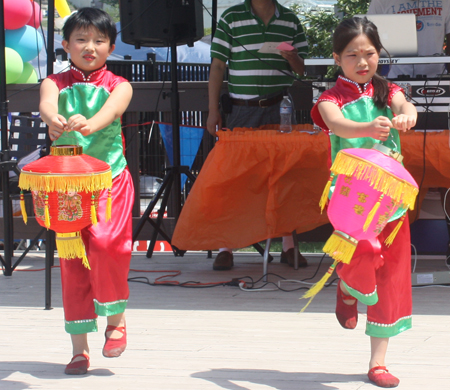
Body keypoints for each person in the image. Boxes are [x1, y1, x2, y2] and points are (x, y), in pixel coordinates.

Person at [310, 17, 417, 388]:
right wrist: (368, 130)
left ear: (378, 54)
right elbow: (337, 125)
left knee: (390, 276)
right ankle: (347, 286)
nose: (362, 62)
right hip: (351, 199)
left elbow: (409, 107)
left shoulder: (388, 90)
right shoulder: (329, 99)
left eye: (369, 54)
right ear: (337, 58)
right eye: (352, 55)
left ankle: (378, 362)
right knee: (363, 253)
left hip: (390, 199)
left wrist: (405, 117)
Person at [39, 8, 134, 375]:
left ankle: (116, 320)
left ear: (110, 46)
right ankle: (79, 349)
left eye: (98, 40)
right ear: (65, 45)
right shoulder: (55, 82)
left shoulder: (119, 84)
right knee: (72, 261)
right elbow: (47, 104)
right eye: (81, 39)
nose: (89, 46)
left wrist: (88, 124)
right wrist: (54, 119)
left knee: (108, 245)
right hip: (67, 186)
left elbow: (111, 112)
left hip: (109, 179)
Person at [206, 0, 309, 271]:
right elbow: (217, 66)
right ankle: (226, 246)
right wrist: (212, 110)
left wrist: (293, 58)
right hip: (241, 109)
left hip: (280, 107)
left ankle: (289, 246)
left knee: (284, 175)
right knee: (234, 178)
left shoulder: (290, 20)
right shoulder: (231, 17)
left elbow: (302, 69)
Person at [368, 0, 450, 78]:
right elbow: (371, 39)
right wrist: (376, 81)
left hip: (437, 78)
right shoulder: (381, 2)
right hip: (396, 77)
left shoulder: (446, 1)